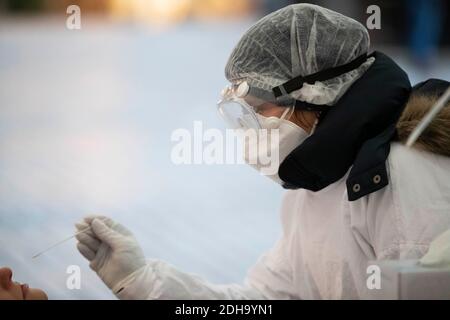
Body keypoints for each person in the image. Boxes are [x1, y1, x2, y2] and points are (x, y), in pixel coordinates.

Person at [75, 4, 450, 299]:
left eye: (259, 109)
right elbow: (262, 297)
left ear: (316, 94)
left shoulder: (399, 177)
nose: (251, 127)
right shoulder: (312, 186)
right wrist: (141, 281)